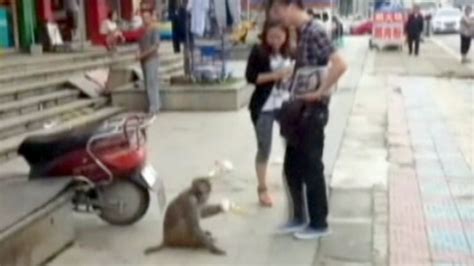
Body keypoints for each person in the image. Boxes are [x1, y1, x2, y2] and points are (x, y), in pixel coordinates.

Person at [268, 0, 347, 240]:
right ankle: (299, 217)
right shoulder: (302, 32)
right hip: (299, 111)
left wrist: (321, 91)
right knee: (292, 166)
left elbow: (341, 64)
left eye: (279, 11)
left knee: (312, 167)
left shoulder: (315, 32)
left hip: (313, 111)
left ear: (291, 6)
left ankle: (319, 223)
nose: (278, 17)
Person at [245, 20, 294, 207]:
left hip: (286, 105)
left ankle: (291, 183)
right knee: (264, 148)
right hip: (263, 107)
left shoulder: (290, 51)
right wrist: (276, 75)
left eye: (279, 37)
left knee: (291, 146)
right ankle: (262, 189)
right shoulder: (258, 52)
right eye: (271, 36)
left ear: (285, 36)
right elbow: (251, 77)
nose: (275, 40)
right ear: (265, 36)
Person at [137, 7, 161, 115]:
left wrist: (142, 54)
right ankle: (154, 104)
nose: (145, 19)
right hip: (143, 60)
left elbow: (155, 46)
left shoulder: (154, 28)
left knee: (152, 83)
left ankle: (154, 107)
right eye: (143, 17)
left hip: (152, 59)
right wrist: (138, 54)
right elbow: (139, 44)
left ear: (151, 17)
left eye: (147, 17)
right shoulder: (142, 30)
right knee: (147, 83)